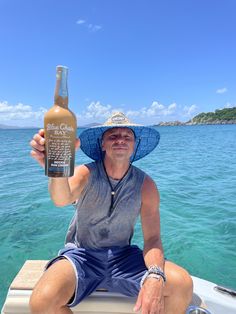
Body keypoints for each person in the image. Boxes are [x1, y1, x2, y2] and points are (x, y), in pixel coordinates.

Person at [29, 112, 193, 314]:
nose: (120, 140)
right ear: (103, 144)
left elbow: (152, 239)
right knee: (41, 301)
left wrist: (155, 275)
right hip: (82, 256)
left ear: (134, 145)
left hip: (124, 257)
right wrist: (57, 171)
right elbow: (61, 198)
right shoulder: (86, 173)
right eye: (113, 136)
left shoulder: (146, 185)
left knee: (182, 284)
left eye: (127, 136)